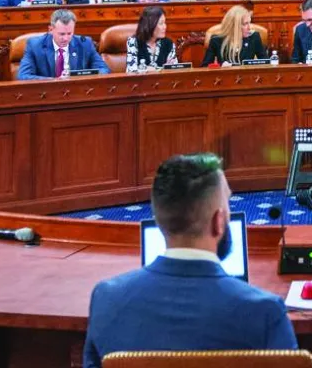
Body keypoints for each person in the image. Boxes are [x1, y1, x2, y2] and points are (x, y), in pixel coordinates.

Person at [82, 153, 295, 364]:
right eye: (228, 204)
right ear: (219, 221)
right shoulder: (264, 311)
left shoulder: (106, 299)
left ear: (159, 220)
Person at [18, 8, 106, 79]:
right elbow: (23, 76)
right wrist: (55, 81)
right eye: (62, 34)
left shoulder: (85, 43)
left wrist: (80, 77)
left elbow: (104, 70)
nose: (66, 38)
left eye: (69, 33)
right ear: (51, 30)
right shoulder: (34, 45)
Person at [202, 5, 269, 65]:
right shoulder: (216, 40)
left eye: (249, 23)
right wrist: (220, 68)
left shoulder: (254, 37)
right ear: (234, 26)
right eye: (245, 24)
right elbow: (205, 68)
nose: (249, 27)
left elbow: (266, 63)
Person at [127, 5, 178, 72]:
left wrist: (149, 69)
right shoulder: (134, 42)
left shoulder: (169, 44)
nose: (165, 27)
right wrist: (162, 69)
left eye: (165, 23)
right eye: (161, 23)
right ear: (150, 24)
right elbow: (131, 71)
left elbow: (174, 70)